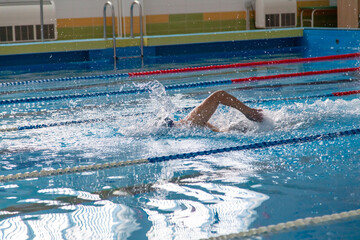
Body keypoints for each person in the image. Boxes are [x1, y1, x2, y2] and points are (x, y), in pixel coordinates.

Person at [162, 90, 264, 132]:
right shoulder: (191, 123)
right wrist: (248, 111)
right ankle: (249, 113)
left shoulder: (188, 126)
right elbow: (219, 95)